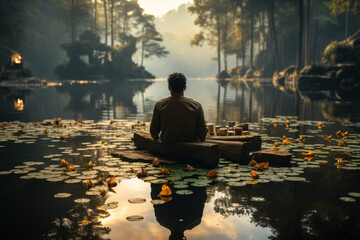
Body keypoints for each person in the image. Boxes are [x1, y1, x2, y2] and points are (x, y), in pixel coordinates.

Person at [150, 72, 208, 143]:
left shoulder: (159, 105)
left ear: (169, 87)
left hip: (166, 147)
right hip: (191, 147)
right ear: (184, 88)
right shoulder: (196, 105)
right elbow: (202, 135)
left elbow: (153, 133)